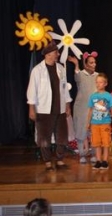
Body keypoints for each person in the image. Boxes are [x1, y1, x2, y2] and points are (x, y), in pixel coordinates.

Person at [27, 40, 72, 171]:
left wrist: (68, 104)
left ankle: (59, 160)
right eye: (55, 52)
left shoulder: (61, 69)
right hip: (43, 109)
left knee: (62, 136)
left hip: (60, 109)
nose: (57, 54)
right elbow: (32, 90)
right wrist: (31, 108)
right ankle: (47, 161)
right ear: (48, 55)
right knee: (44, 137)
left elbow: (65, 89)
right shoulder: (37, 70)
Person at [67, 52, 98, 164]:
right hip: (81, 108)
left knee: (94, 131)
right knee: (81, 130)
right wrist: (76, 64)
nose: (94, 64)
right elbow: (76, 76)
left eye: (94, 62)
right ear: (86, 64)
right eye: (91, 62)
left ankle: (94, 154)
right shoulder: (80, 75)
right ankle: (82, 154)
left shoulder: (97, 76)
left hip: (94, 108)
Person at [87, 73, 112, 170]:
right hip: (94, 123)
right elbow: (90, 110)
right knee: (96, 143)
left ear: (105, 83)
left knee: (106, 142)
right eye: (97, 82)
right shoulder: (93, 96)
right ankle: (98, 160)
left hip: (105, 123)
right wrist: (88, 122)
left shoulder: (108, 96)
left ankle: (105, 161)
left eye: (100, 82)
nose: (98, 84)